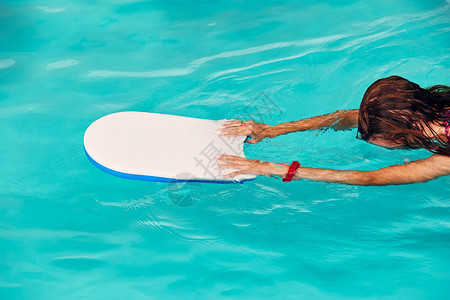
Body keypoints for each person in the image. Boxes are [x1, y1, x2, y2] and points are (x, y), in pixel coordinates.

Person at [216, 76, 450, 185]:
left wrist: (276, 169)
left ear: (402, 132)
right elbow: (345, 117)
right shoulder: (434, 106)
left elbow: (372, 176)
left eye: (375, 138)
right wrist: (272, 131)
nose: (366, 137)